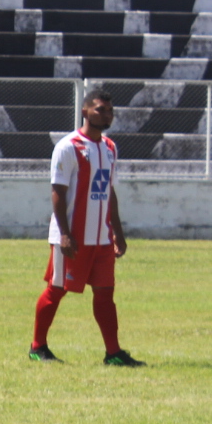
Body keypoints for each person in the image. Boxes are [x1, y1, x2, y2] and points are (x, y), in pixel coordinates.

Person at [30, 90, 144, 366]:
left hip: (101, 238)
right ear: (85, 111)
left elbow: (109, 192)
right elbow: (57, 192)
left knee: (105, 293)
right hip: (72, 237)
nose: (107, 115)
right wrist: (65, 234)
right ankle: (38, 347)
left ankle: (113, 353)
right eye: (100, 109)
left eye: (109, 111)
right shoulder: (68, 147)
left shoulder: (110, 148)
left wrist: (117, 231)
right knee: (57, 289)